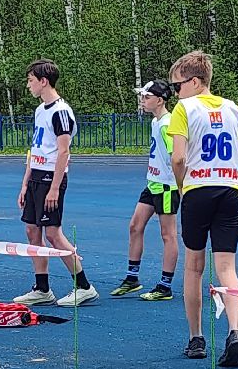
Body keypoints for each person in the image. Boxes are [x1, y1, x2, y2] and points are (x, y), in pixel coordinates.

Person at [167, 50, 238, 367]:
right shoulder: (232, 109)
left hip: (197, 189)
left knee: (194, 266)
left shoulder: (184, 109)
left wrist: (182, 185)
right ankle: (235, 330)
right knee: (227, 267)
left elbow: (178, 158)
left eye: (177, 85)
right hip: (230, 189)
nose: (175, 92)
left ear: (193, 81)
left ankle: (196, 338)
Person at [12, 60, 98, 308]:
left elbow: (63, 152)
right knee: (32, 230)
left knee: (53, 234)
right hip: (37, 175)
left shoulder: (61, 112)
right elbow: (35, 148)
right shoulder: (41, 110)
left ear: (43, 81)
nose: (28, 85)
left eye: (30, 80)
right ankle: (42, 288)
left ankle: (84, 286)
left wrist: (54, 187)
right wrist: (25, 182)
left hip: (52, 178)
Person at [110, 79, 179, 301]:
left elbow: (176, 156)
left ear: (160, 100)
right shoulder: (156, 122)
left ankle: (165, 285)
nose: (142, 100)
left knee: (168, 235)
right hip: (153, 183)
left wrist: (181, 184)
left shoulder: (168, 124)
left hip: (167, 186)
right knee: (135, 226)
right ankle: (132, 278)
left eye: (147, 97)